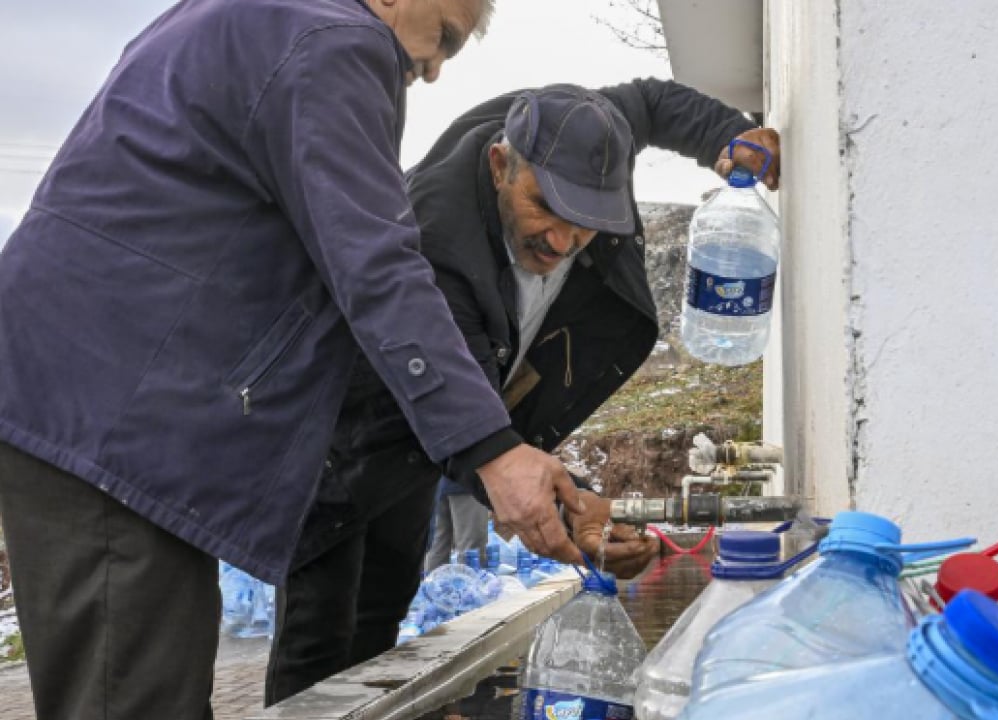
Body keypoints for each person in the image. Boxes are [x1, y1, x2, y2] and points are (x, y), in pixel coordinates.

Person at [0, 1, 599, 718]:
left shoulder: (244, 17)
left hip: (88, 398)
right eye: (443, 38)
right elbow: (376, 269)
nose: (435, 69)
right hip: (113, 420)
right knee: (130, 698)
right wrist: (492, 450)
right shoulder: (334, 42)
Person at [266, 79, 781, 703]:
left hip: (425, 444)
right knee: (320, 637)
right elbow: (475, 419)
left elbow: (648, 103)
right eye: (546, 208)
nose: (563, 242)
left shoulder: (586, 131)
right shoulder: (434, 247)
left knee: (381, 617)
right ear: (500, 165)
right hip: (343, 428)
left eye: (587, 224)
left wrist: (723, 136)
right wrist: (572, 509)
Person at [424, 478, 492, 571]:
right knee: (471, 551)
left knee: (438, 546)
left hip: (440, 481)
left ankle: (432, 583)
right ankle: (468, 584)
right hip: (467, 483)